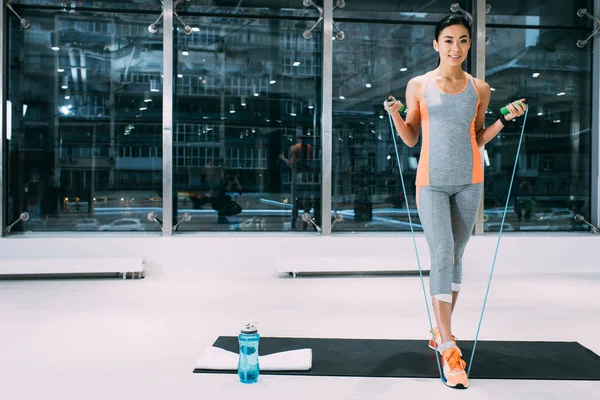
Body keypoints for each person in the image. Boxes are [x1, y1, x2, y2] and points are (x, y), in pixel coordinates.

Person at [384, 14, 526, 389]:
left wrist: (505, 120)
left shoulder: (480, 88)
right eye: (448, 40)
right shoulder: (419, 84)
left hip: (470, 182)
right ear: (436, 44)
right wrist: (396, 115)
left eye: (463, 40)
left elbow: (477, 137)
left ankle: (440, 330)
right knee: (442, 251)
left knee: (457, 257)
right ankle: (449, 346)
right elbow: (412, 138)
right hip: (430, 182)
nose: (456, 47)